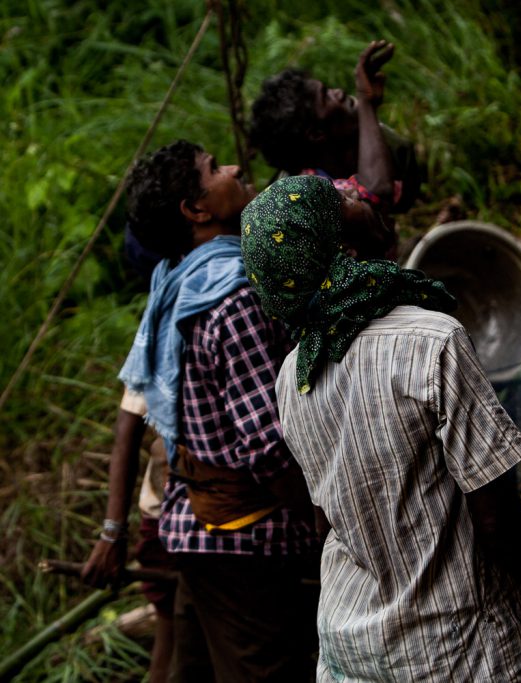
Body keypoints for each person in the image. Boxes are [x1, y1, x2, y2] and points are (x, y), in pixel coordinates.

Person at [240, 174, 521, 681]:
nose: (354, 189)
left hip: (352, 646)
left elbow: (328, 522)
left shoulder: (293, 377)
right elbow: (497, 520)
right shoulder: (432, 340)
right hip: (457, 649)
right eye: (342, 198)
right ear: (344, 249)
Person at [81, 140, 320, 682]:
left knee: (192, 672)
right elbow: (268, 446)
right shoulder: (233, 297)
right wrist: (324, 522)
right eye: (214, 169)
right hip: (246, 540)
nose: (233, 168)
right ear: (196, 210)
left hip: (195, 528)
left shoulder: (178, 281)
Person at [249, 40, 421, 259]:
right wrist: (366, 103)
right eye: (326, 95)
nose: (339, 92)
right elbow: (377, 193)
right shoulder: (304, 200)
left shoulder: (386, 145)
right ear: (316, 134)